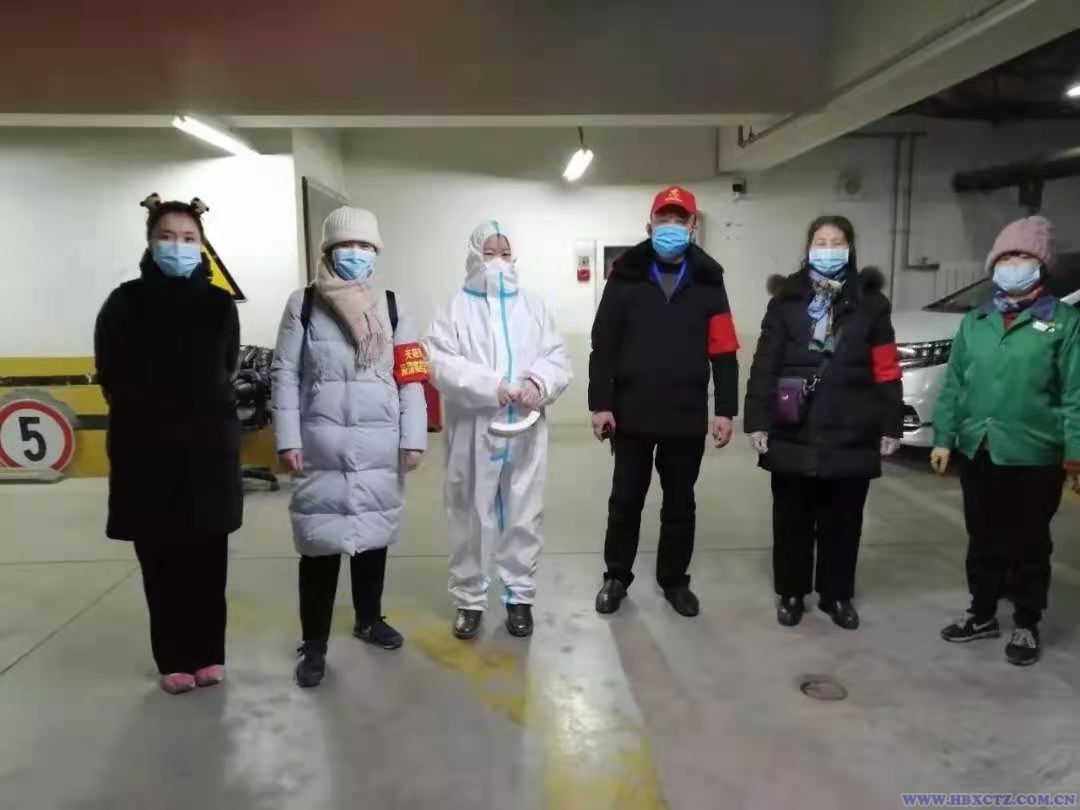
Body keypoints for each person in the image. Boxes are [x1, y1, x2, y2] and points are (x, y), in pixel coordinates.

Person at [272, 206, 428, 688]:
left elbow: (411, 377)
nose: (356, 254)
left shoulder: (393, 306)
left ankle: (368, 618)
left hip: (380, 443)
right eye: (347, 246)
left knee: (372, 538)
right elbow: (285, 374)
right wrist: (288, 437)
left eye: (365, 246)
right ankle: (314, 643)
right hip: (321, 445)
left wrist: (413, 437)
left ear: (376, 253)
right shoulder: (303, 304)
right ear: (328, 251)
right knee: (319, 545)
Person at [94, 194, 242, 695]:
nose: (177, 246)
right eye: (167, 237)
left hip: (208, 453)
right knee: (162, 562)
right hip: (148, 454)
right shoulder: (124, 303)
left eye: (188, 238)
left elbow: (226, 367)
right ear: (150, 242)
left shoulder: (219, 305)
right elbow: (111, 373)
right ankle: (174, 659)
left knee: (208, 561)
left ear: (201, 245)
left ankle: (209, 654)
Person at [933, 216, 1080, 666]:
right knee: (983, 537)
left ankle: (1026, 622)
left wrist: (1075, 454)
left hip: (1035, 453)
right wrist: (944, 436)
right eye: (1007, 256)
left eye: (1024, 256)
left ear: (1042, 265)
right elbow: (954, 384)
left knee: (1029, 542)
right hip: (979, 446)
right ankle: (981, 613)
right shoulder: (977, 320)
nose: (1014, 264)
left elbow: (1075, 394)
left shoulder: (1064, 323)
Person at [744, 215, 903, 630]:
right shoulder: (786, 301)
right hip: (793, 425)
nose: (828, 249)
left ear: (850, 249)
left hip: (853, 426)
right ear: (808, 248)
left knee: (844, 521)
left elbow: (886, 368)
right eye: (821, 241)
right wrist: (757, 419)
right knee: (791, 519)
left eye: (837, 242)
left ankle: (836, 594)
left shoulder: (871, 304)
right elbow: (765, 364)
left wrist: (891, 421)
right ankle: (792, 592)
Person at [589, 186, 739, 618]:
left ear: (693, 228)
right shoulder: (625, 275)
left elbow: (723, 348)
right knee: (625, 501)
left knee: (680, 504)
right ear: (649, 225)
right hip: (631, 412)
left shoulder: (709, 279)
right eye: (664, 218)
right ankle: (616, 577)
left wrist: (725, 409)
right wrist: (600, 403)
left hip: (685, 414)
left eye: (680, 219)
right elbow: (604, 345)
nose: (671, 226)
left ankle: (674, 580)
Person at [424, 221, 571, 640]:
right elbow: (438, 362)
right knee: (469, 515)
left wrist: (537, 383)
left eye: (505, 254)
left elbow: (557, 357)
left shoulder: (533, 307)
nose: (498, 262)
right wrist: (491, 386)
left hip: (526, 427)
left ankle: (519, 597)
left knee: (525, 513)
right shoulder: (454, 309)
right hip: (474, 430)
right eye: (489, 253)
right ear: (474, 256)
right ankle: (469, 600)